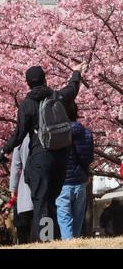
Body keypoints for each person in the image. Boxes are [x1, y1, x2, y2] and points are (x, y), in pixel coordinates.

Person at [0, 63, 86, 242]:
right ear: (45, 80)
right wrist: (76, 72)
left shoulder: (26, 105)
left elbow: (19, 135)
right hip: (61, 156)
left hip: (40, 158)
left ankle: (44, 241)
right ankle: (53, 239)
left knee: (41, 202)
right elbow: (72, 88)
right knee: (52, 200)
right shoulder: (57, 96)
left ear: (27, 84)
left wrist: (3, 151)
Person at [56, 103, 93, 240]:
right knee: (78, 219)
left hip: (63, 182)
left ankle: (69, 244)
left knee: (65, 218)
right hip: (80, 181)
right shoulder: (87, 133)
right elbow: (89, 157)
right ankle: (75, 243)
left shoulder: (58, 133)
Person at [9, 135, 33, 244]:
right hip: (45, 184)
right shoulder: (46, 133)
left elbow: (15, 165)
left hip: (26, 186)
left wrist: (13, 188)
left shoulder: (21, 138)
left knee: (24, 226)